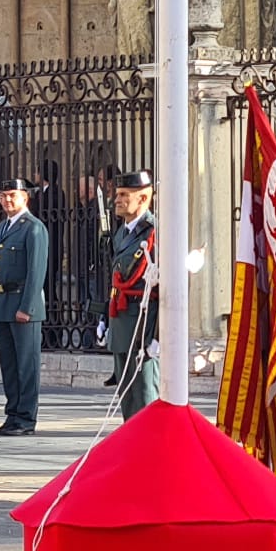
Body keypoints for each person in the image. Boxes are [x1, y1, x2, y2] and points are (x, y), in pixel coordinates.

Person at [0, 178, 48, 436]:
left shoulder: (33, 228)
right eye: (2, 196)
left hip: (23, 303)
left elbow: (36, 271)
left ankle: (25, 418)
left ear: (25, 197)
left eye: (12, 195)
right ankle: (12, 414)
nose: (7, 201)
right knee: (9, 364)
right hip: (4, 303)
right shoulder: (4, 226)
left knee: (26, 364)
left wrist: (28, 307)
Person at [106, 170, 159, 419]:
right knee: (127, 397)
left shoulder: (154, 233)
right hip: (122, 320)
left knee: (146, 395)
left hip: (143, 325)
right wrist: (105, 320)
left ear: (143, 198)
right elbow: (116, 280)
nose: (116, 199)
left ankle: (153, 455)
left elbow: (164, 288)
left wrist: (157, 336)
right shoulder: (121, 234)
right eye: (117, 194)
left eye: (124, 194)